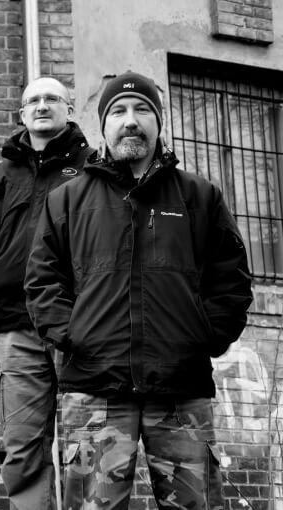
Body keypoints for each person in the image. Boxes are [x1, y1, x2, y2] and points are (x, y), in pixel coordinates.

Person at [25, 71, 253, 509]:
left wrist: (205, 336)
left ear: (158, 121)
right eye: (118, 111)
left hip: (180, 392)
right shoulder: (67, 200)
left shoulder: (199, 196)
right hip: (95, 390)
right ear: (103, 126)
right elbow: (42, 282)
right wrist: (75, 335)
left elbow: (232, 279)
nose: (130, 120)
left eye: (142, 109)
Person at [0, 76, 94, 509]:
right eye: (33, 100)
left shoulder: (92, 168)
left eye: (52, 98)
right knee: (22, 449)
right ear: (21, 114)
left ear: (70, 108)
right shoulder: (1, 177)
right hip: (15, 328)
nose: (42, 106)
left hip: (78, 324)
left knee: (87, 446)